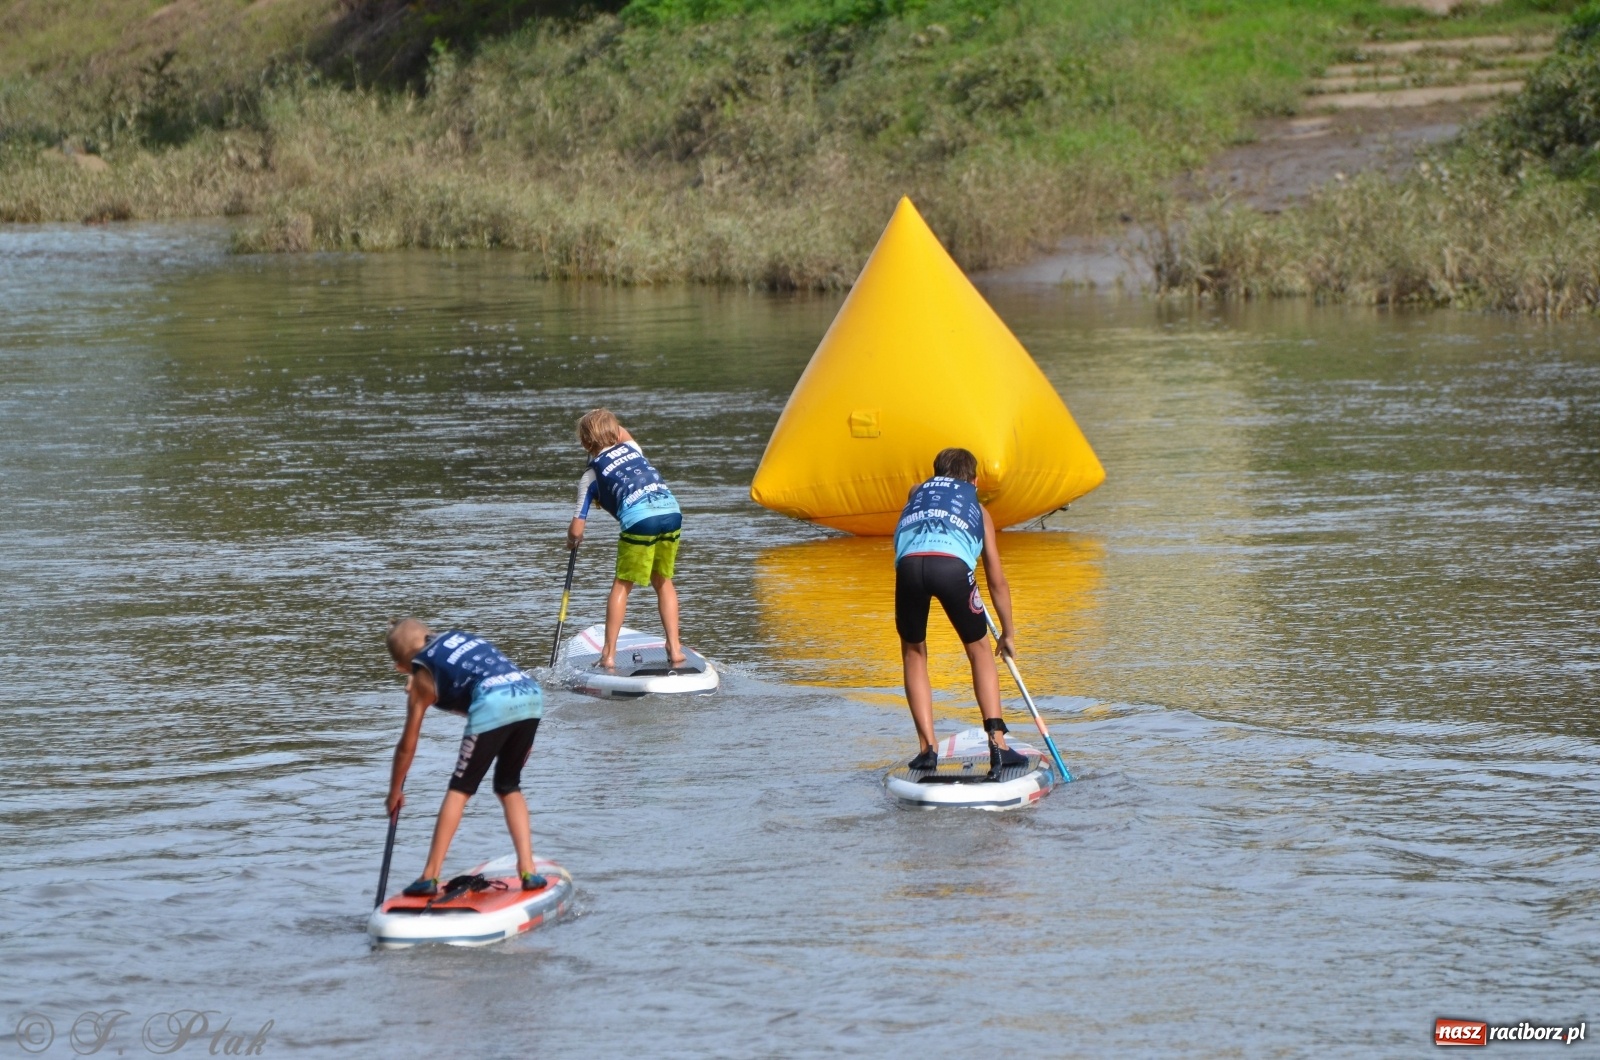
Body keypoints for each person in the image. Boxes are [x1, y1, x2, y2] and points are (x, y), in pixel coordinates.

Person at [384, 619, 546, 897]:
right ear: (428, 634)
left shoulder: (423, 676)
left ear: (400, 667)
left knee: (459, 790)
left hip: (494, 702)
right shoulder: (456, 638)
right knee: (508, 786)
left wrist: (395, 790)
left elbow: (407, 745)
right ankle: (528, 870)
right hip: (530, 695)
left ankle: (429, 876)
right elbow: (465, 677)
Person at [893, 447, 1028, 776]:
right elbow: (997, 581)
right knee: (980, 650)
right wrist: (1008, 634)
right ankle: (999, 746)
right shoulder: (979, 511)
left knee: (913, 651)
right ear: (975, 481)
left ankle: (927, 750)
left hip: (910, 568)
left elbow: (917, 490)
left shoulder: (917, 492)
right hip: (951, 568)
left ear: (934, 475)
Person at [566, 408, 685, 669]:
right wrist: (604, 417)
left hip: (641, 519)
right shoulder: (633, 449)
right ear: (614, 433)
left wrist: (572, 541)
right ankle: (675, 649)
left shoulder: (590, 476)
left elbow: (576, 530)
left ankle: (608, 654)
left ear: (585, 443)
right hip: (672, 511)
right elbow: (621, 433)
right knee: (663, 580)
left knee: (622, 584)